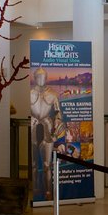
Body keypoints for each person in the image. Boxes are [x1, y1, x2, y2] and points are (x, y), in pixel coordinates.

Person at [30, 67, 65, 201]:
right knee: (33, 164)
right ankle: (35, 188)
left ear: (46, 77)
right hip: (33, 126)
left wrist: (56, 123)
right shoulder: (29, 93)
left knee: (47, 164)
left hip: (47, 127)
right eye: (38, 76)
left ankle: (48, 192)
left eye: (43, 76)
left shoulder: (53, 94)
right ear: (34, 77)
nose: (40, 79)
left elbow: (58, 113)